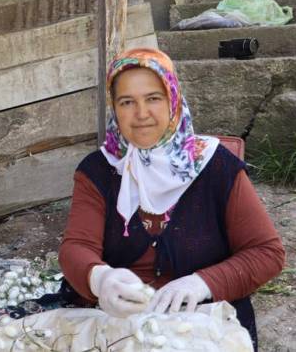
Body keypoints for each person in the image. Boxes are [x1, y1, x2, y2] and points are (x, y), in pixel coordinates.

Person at [58, 48, 284, 348]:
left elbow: (267, 252)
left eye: (153, 98)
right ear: (115, 108)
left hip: (203, 321)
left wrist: (202, 283)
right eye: (127, 102)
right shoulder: (99, 170)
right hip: (118, 321)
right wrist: (100, 279)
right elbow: (77, 246)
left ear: (173, 99)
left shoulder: (214, 165)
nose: (141, 114)